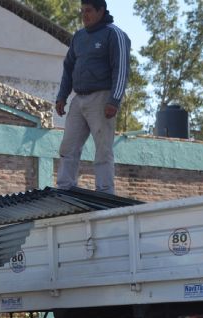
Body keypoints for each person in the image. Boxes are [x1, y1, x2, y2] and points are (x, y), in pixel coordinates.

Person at [55, 0, 131, 195]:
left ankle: (105, 191)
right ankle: (65, 187)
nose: (84, 15)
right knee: (68, 146)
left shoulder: (115, 34)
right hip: (78, 99)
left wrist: (114, 100)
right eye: (82, 11)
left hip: (102, 98)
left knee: (103, 148)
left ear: (101, 11)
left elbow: (121, 69)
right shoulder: (78, 37)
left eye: (88, 11)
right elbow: (68, 67)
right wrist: (62, 96)